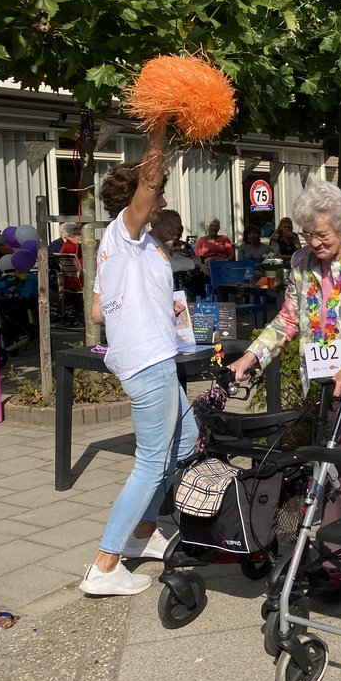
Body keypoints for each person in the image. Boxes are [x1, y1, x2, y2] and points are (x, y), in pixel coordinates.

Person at [229, 181, 341, 593]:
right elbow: (289, 318)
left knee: (338, 464)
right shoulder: (302, 261)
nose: (314, 242)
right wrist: (251, 357)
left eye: (323, 235)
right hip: (324, 381)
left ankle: (338, 563)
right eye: (308, 234)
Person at [79, 144, 198, 596]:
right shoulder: (124, 233)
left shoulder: (131, 246)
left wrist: (141, 306)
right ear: (138, 200)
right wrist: (161, 123)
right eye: (158, 194)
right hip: (148, 362)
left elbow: (96, 312)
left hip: (152, 355)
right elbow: (149, 183)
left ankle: (141, 532)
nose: (163, 201)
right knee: (150, 462)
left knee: (185, 440)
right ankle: (105, 564)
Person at [150, 209, 207, 298]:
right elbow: (170, 264)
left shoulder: (158, 242)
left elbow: (173, 256)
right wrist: (194, 263)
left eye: (177, 226)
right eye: (171, 224)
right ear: (156, 224)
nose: (175, 230)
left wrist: (195, 260)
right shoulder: (150, 243)